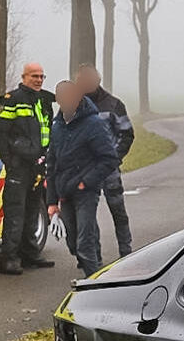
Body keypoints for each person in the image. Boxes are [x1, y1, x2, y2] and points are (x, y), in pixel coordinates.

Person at [45, 80, 121, 278]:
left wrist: (85, 182)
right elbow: (52, 164)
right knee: (73, 244)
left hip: (86, 192)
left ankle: (96, 283)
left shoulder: (93, 124)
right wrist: (51, 201)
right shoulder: (57, 126)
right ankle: (97, 267)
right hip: (64, 192)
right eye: (61, 98)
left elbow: (109, 159)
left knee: (84, 243)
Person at [0, 61, 55, 275]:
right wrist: (9, 162)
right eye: (34, 76)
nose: (38, 80)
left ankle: (30, 254)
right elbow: (0, 132)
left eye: (41, 76)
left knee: (32, 210)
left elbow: (46, 130)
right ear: (24, 77)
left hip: (37, 164)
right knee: (15, 212)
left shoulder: (44, 101)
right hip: (19, 166)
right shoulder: (13, 100)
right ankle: (9, 258)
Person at [73, 64, 134, 259]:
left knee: (118, 212)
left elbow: (127, 134)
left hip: (109, 171)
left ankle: (126, 253)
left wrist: (113, 158)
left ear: (97, 80)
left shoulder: (114, 104)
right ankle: (94, 258)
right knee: (87, 217)